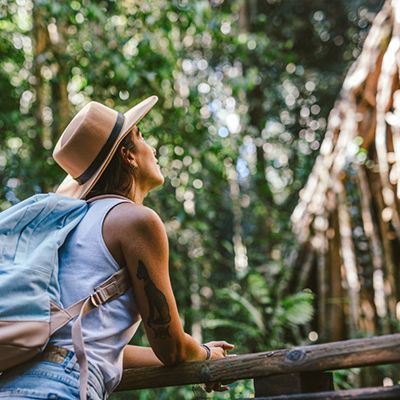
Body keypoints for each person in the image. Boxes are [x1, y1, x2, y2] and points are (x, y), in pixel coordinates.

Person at [0, 96, 234, 399]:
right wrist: (203, 355)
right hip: (61, 388)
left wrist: (200, 353)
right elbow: (171, 346)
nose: (153, 148)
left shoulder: (66, 225)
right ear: (129, 156)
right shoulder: (136, 221)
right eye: (142, 137)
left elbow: (95, 347)